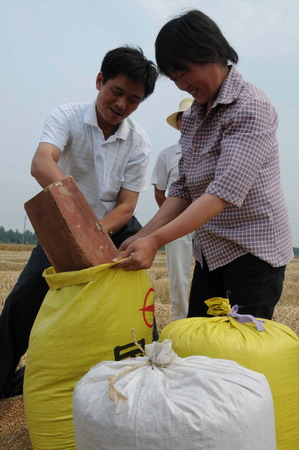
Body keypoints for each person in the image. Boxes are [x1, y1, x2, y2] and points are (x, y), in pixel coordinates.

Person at [115, 11, 293, 324]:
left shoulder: (250, 106)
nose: (182, 85)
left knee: (242, 353)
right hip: (211, 251)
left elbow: (222, 192)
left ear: (210, 53)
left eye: (184, 72)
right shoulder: (196, 115)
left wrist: (155, 241)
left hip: (253, 253)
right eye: (174, 78)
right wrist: (142, 234)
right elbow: (182, 187)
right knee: (200, 340)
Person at [0, 46, 158, 398]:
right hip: (63, 222)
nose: (121, 105)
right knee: (23, 301)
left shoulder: (139, 142)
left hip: (116, 227)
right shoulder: (67, 116)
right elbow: (42, 163)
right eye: (116, 92)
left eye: (133, 100)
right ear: (100, 80)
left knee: (134, 301)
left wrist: (95, 230)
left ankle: (149, 367)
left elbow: (127, 205)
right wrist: (77, 220)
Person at [151, 98, 194, 320]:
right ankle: (181, 323)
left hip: (212, 223)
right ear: (177, 123)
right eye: (183, 118)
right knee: (178, 277)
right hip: (178, 225)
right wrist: (171, 217)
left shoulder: (215, 149)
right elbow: (160, 191)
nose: (188, 121)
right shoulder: (167, 155)